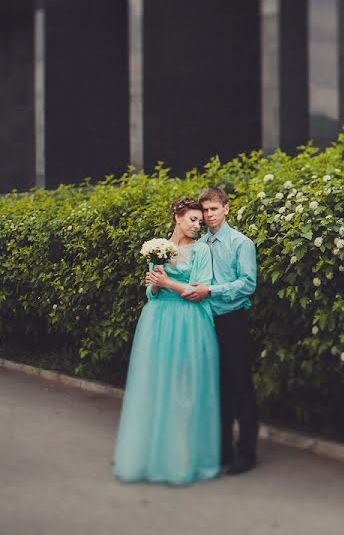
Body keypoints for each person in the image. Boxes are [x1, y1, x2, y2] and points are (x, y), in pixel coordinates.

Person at [113, 198, 221, 485]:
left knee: (184, 390)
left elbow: (198, 289)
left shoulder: (201, 251)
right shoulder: (159, 249)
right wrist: (153, 283)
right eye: (193, 219)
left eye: (201, 221)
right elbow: (151, 293)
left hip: (189, 322)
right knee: (156, 386)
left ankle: (182, 461)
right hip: (158, 320)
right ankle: (153, 459)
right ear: (177, 217)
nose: (199, 225)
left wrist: (167, 284)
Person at [182, 187, 259, 475]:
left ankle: (247, 454)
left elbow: (248, 284)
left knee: (241, 387)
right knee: (217, 388)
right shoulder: (199, 244)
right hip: (206, 322)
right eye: (204, 210)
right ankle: (224, 451)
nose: (209, 215)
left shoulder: (241, 243)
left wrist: (211, 290)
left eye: (214, 208)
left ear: (226, 208)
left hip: (233, 321)